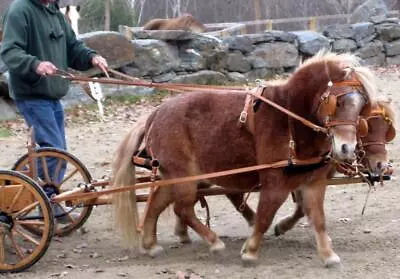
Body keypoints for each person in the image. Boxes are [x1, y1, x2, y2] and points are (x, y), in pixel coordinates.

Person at [1, 0, 108, 223]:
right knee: (54, 151)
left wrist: (91, 57)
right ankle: (43, 201)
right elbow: (10, 51)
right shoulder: (20, 10)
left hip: (51, 95)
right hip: (32, 94)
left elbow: (72, 47)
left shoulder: (54, 13)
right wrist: (35, 64)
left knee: (58, 152)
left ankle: (27, 189)